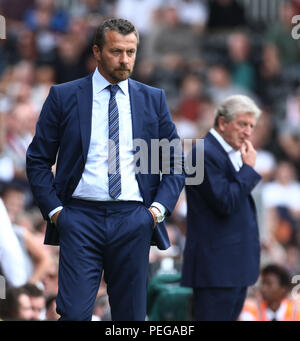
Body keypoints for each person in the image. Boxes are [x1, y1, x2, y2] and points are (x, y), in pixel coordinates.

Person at [26, 18, 185, 321]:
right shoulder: (63, 96)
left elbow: (175, 162)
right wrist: (57, 212)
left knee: (131, 320)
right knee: (73, 315)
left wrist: (155, 212)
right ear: (97, 51)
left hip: (134, 219)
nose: (125, 60)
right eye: (116, 51)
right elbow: (37, 159)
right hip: (79, 218)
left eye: (131, 52)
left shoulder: (153, 99)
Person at [181, 94, 262, 321]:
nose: (248, 132)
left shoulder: (229, 153)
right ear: (223, 122)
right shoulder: (204, 153)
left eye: (251, 126)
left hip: (231, 270)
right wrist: (248, 170)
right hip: (216, 271)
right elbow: (225, 202)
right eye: (242, 124)